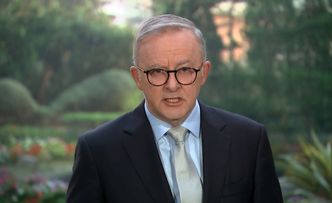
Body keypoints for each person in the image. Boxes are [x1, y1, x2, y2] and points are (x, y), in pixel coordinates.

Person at [66, 14, 283, 203]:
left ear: (204, 73)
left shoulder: (249, 140)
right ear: (138, 78)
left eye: (185, 70)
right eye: (157, 71)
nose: (172, 85)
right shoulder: (98, 150)